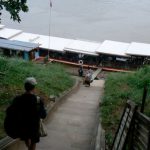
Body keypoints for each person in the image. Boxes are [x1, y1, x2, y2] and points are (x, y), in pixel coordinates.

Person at [15, 77, 47, 150]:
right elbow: (43, 115)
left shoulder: (18, 99)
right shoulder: (38, 100)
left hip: (22, 124)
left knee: (26, 138)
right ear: (34, 87)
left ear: (24, 86)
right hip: (34, 126)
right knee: (33, 142)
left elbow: (11, 111)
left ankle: (29, 147)